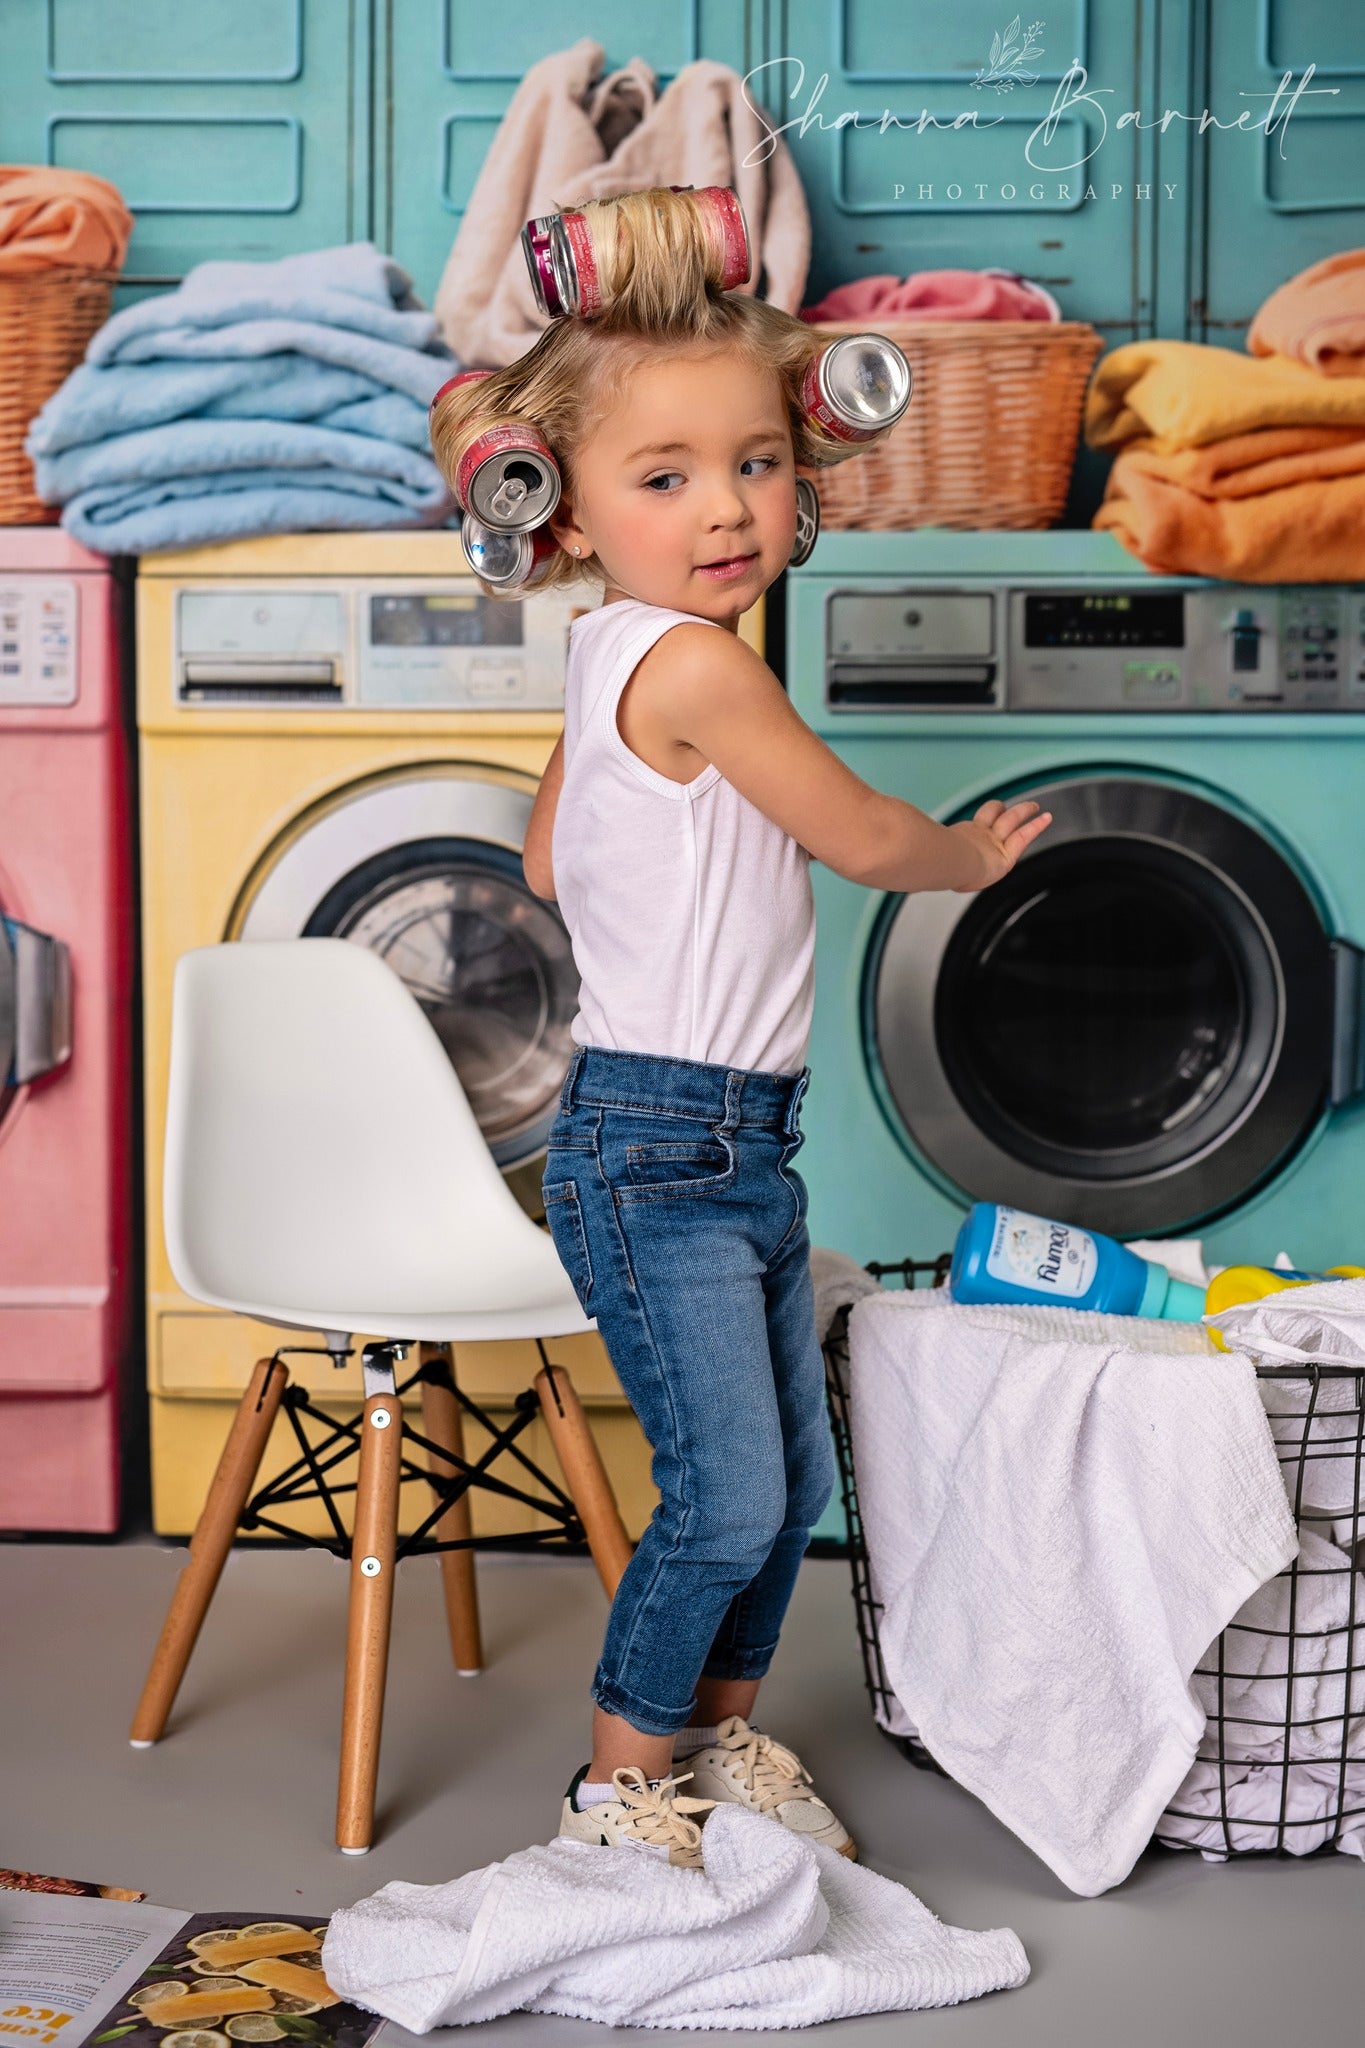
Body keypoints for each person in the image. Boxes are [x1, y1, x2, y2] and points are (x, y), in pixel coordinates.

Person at [429, 188, 1051, 1870]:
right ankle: (619, 1788)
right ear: (562, 507)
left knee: (781, 1487)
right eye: (666, 477)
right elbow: (856, 839)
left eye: (758, 462)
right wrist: (970, 857)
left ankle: (714, 1747)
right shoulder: (702, 673)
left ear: (802, 465)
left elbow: (549, 859)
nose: (727, 508)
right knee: (731, 1494)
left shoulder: (614, 654)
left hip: (720, 1142)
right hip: (656, 1144)